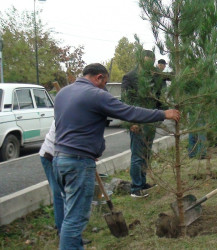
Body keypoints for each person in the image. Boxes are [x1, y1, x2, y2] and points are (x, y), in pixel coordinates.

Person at [53, 63, 180, 249]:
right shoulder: (96, 95)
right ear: (99, 77)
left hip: (59, 159)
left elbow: (66, 126)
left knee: (69, 213)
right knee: (75, 219)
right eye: (104, 82)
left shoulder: (63, 93)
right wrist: (163, 113)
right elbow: (129, 112)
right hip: (77, 163)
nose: (105, 87)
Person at [122, 50, 165, 198]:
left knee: (146, 154)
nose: (149, 65)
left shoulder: (154, 76)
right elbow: (126, 100)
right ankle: (135, 188)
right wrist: (131, 122)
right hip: (137, 121)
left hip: (151, 120)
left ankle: (142, 181)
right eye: (146, 61)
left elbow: (159, 96)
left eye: (151, 62)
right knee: (137, 155)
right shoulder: (130, 77)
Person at [39, 120, 64, 234]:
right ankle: (62, 230)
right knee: (59, 193)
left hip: (61, 156)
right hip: (50, 156)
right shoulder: (68, 116)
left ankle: (63, 225)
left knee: (66, 193)